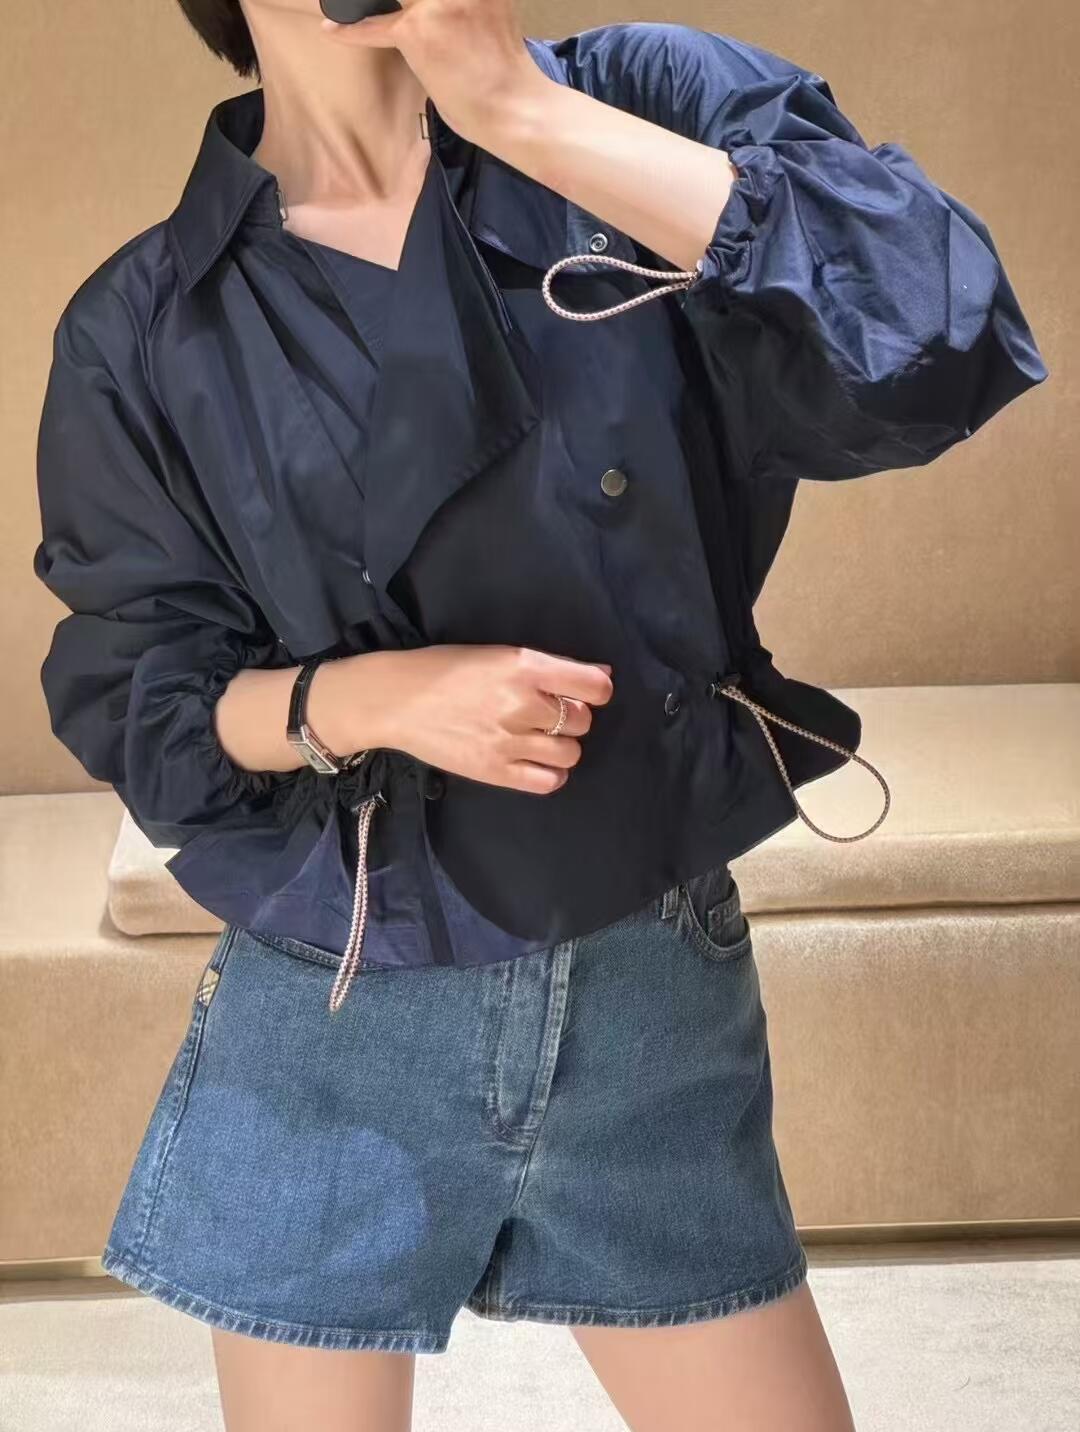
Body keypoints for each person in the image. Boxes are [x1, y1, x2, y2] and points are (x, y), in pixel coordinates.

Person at [31, 1, 1047, 1428]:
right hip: (338, 996)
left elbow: (933, 332)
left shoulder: (634, 102)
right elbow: (144, 703)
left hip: (642, 964)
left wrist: (519, 111)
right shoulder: (149, 319)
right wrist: (373, 697)